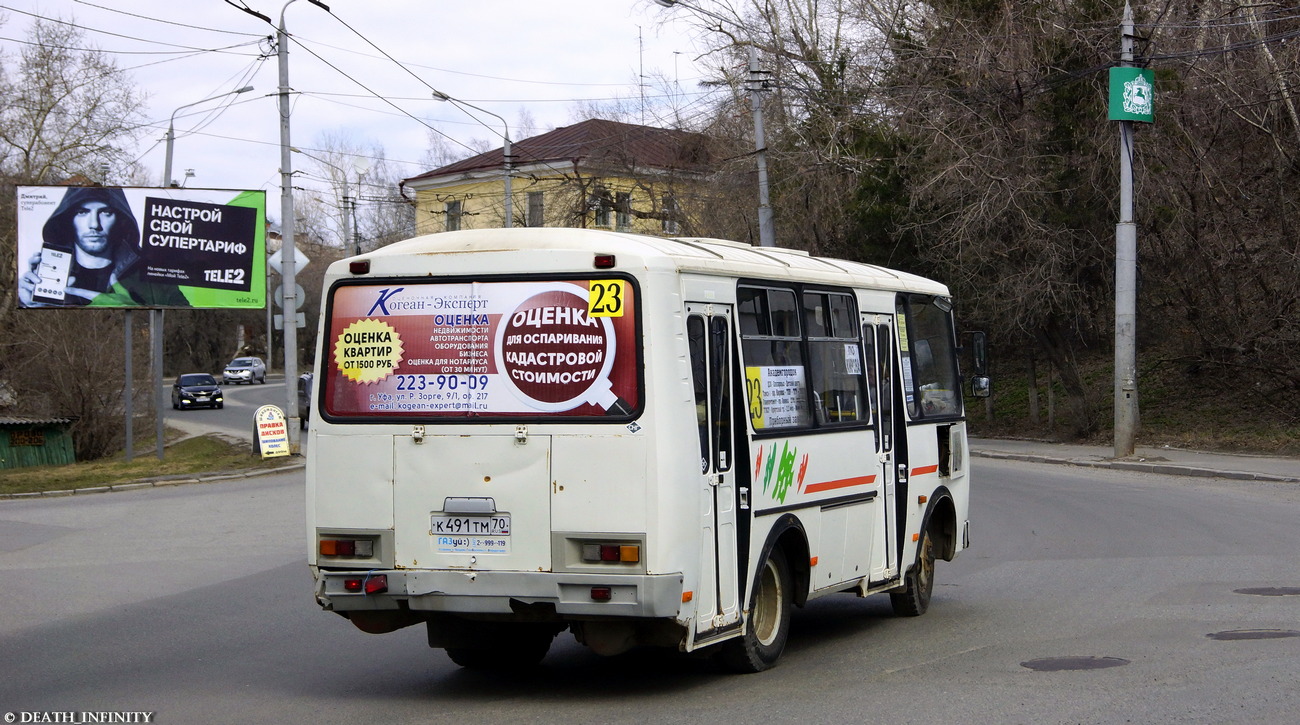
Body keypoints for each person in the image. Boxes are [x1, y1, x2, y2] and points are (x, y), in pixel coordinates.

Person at [18, 186, 184, 307]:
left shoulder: (152, 274)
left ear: (120, 218)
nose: (94, 225)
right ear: (69, 219)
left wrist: (135, 311)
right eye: (82, 212)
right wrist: (26, 303)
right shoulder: (47, 275)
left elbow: (187, 328)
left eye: (106, 212)